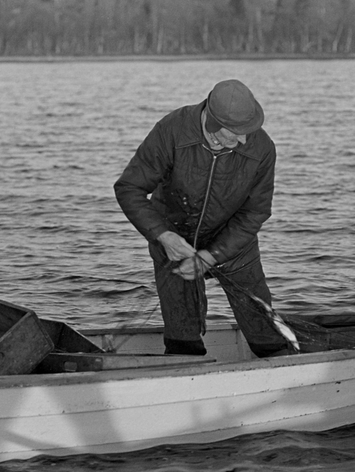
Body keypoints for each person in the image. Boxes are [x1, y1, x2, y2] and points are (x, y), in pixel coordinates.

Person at [114, 79, 289, 358]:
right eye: (236, 134)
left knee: (266, 332)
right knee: (182, 340)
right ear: (212, 125)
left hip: (234, 243)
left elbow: (255, 212)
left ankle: (281, 366)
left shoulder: (262, 148)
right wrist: (163, 236)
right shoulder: (171, 130)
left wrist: (211, 255)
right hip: (174, 239)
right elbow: (129, 188)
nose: (245, 140)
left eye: (249, 130)